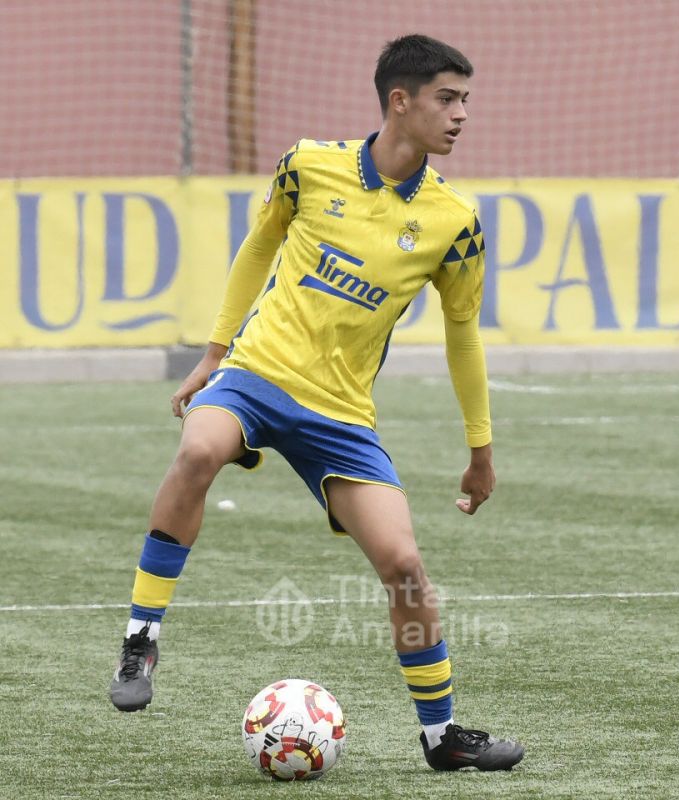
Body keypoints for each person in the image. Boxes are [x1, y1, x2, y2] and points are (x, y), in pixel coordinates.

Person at [110, 32, 523, 772]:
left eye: (466, 99)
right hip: (255, 376)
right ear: (401, 101)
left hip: (340, 415)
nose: (462, 114)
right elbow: (258, 247)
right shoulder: (307, 164)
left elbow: (463, 335)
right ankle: (142, 638)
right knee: (198, 449)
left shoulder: (454, 222)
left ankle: (440, 738)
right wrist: (215, 353)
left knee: (404, 565)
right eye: (448, 98)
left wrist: (480, 449)